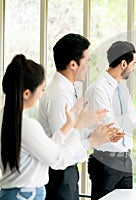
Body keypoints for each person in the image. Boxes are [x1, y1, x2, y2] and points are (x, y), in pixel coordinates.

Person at [0, 54, 124, 200]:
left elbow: (49, 149)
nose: (41, 95)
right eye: (42, 89)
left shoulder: (7, 119)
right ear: (27, 93)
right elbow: (58, 159)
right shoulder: (27, 126)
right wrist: (82, 131)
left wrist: (69, 125)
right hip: (26, 195)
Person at [36, 33, 115, 200]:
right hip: (59, 176)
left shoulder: (66, 90)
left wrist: (96, 134)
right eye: (87, 60)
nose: (89, 65)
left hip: (66, 175)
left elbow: (73, 134)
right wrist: (92, 141)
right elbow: (63, 149)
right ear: (73, 64)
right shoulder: (59, 96)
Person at [85, 41, 136, 200]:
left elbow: (129, 125)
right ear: (124, 63)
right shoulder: (99, 89)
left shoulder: (122, 89)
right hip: (106, 163)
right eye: (133, 63)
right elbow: (111, 129)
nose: (133, 68)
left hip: (125, 161)